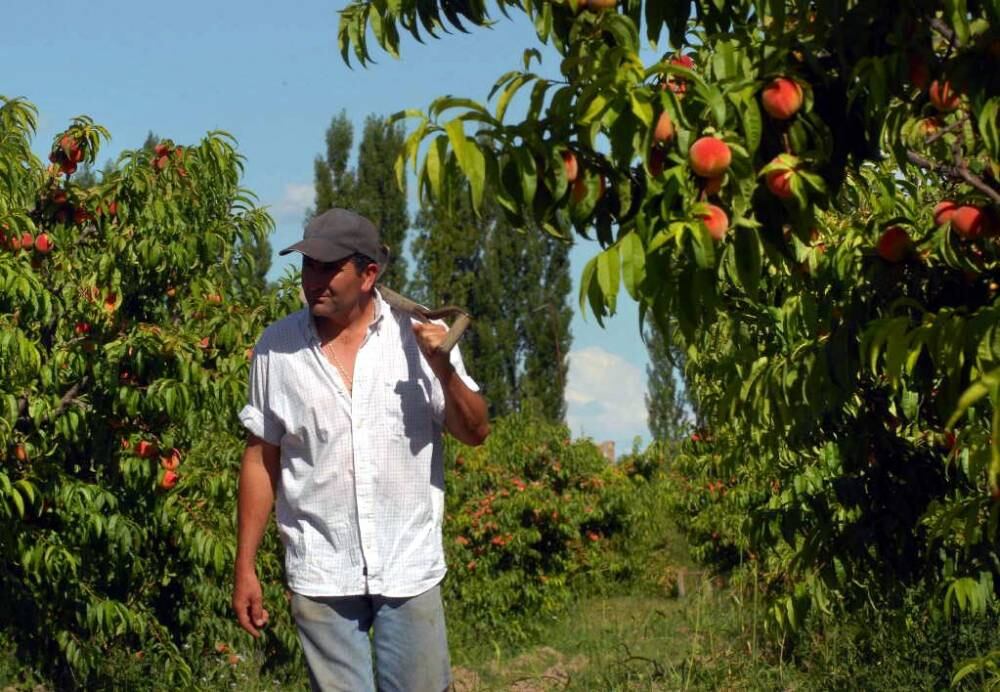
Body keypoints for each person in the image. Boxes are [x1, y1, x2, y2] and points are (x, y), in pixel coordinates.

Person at [232, 208, 490, 692]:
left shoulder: (421, 338)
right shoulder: (276, 348)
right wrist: (244, 565)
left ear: (369, 274)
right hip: (321, 570)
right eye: (309, 267)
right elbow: (260, 458)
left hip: (407, 565)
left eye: (330, 269)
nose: (315, 281)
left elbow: (476, 431)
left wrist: (444, 371)